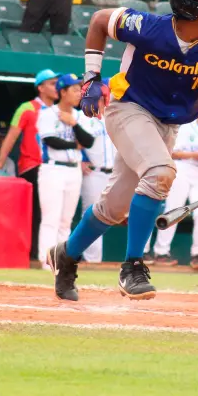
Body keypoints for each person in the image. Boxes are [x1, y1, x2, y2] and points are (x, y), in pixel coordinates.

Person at [46, 0, 198, 302]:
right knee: (160, 173)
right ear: (189, 6)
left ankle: (65, 254)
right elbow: (98, 21)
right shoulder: (149, 27)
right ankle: (133, 266)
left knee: (114, 207)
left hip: (167, 125)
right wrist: (92, 76)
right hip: (128, 109)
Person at [0, 69, 60, 262]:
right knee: (36, 213)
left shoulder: (59, 111)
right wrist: (1, 160)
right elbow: (11, 136)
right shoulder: (27, 108)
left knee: (53, 213)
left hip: (54, 167)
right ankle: (34, 255)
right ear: (41, 88)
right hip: (32, 167)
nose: (57, 87)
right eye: (52, 83)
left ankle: (52, 255)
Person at [150, 95, 198, 270]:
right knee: (174, 210)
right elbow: (172, 152)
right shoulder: (186, 126)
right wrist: (194, 154)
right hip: (183, 169)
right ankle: (161, 252)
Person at [36, 73, 95, 267]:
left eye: (80, 89)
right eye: (75, 89)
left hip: (73, 170)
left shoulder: (79, 115)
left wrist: (74, 124)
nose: (79, 93)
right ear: (62, 92)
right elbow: (51, 140)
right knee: (50, 219)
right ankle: (46, 261)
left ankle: (61, 261)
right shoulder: (47, 113)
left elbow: (88, 141)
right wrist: (73, 144)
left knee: (66, 220)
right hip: (53, 169)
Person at [77, 78, 117, 264]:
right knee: (92, 214)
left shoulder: (118, 114)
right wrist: (81, 160)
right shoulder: (83, 116)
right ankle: (91, 261)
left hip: (116, 173)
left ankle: (95, 261)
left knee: (109, 216)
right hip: (94, 172)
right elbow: (76, 140)